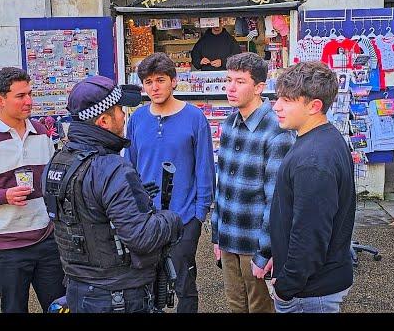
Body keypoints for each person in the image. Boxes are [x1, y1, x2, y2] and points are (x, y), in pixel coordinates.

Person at [42, 75, 183, 313]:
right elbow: (142, 237)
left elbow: (86, 216)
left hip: (78, 290)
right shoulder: (112, 168)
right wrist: (171, 219)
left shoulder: (56, 163)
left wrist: (136, 199)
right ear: (104, 121)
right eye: (119, 110)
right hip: (118, 296)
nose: (123, 116)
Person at [0, 67, 65, 313]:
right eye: (21, 96)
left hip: (46, 239)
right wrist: (2, 196)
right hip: (6, 246)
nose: (29, 101)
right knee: (14, 308)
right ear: (0, 100)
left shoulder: (42, 134)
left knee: (60, 306)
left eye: (30, 93)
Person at [125, 53, 214, 313]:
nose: (154, 87)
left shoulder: (195, 118)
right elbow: (129, 168)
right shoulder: (137, 119)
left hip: (184, 218)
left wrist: (199, 215)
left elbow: (205, 169)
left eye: (160, 80)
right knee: (145, 285)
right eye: (148, 81)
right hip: (145, 220)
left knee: (184, 284)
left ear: (174, 81)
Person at [268, 61, 356, 313]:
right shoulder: (321, 139)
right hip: (312, 284)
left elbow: (310, 235)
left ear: (314, 106)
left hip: (310, 292)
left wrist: (286, 286)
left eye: (287, 100)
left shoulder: (314, 159)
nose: (277, 106)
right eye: (278, 98)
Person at [212, 52, 295, 313]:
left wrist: (266, 251)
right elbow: (222, 186)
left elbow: (276, 199)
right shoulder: (229, 124)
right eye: (228, 80)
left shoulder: (276, 130)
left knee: (260, 308)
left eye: (240, 81)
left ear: (259, 87)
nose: (231, 88)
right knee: (235, 305)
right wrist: (216, 236)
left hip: (254, 243)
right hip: (228, 239)